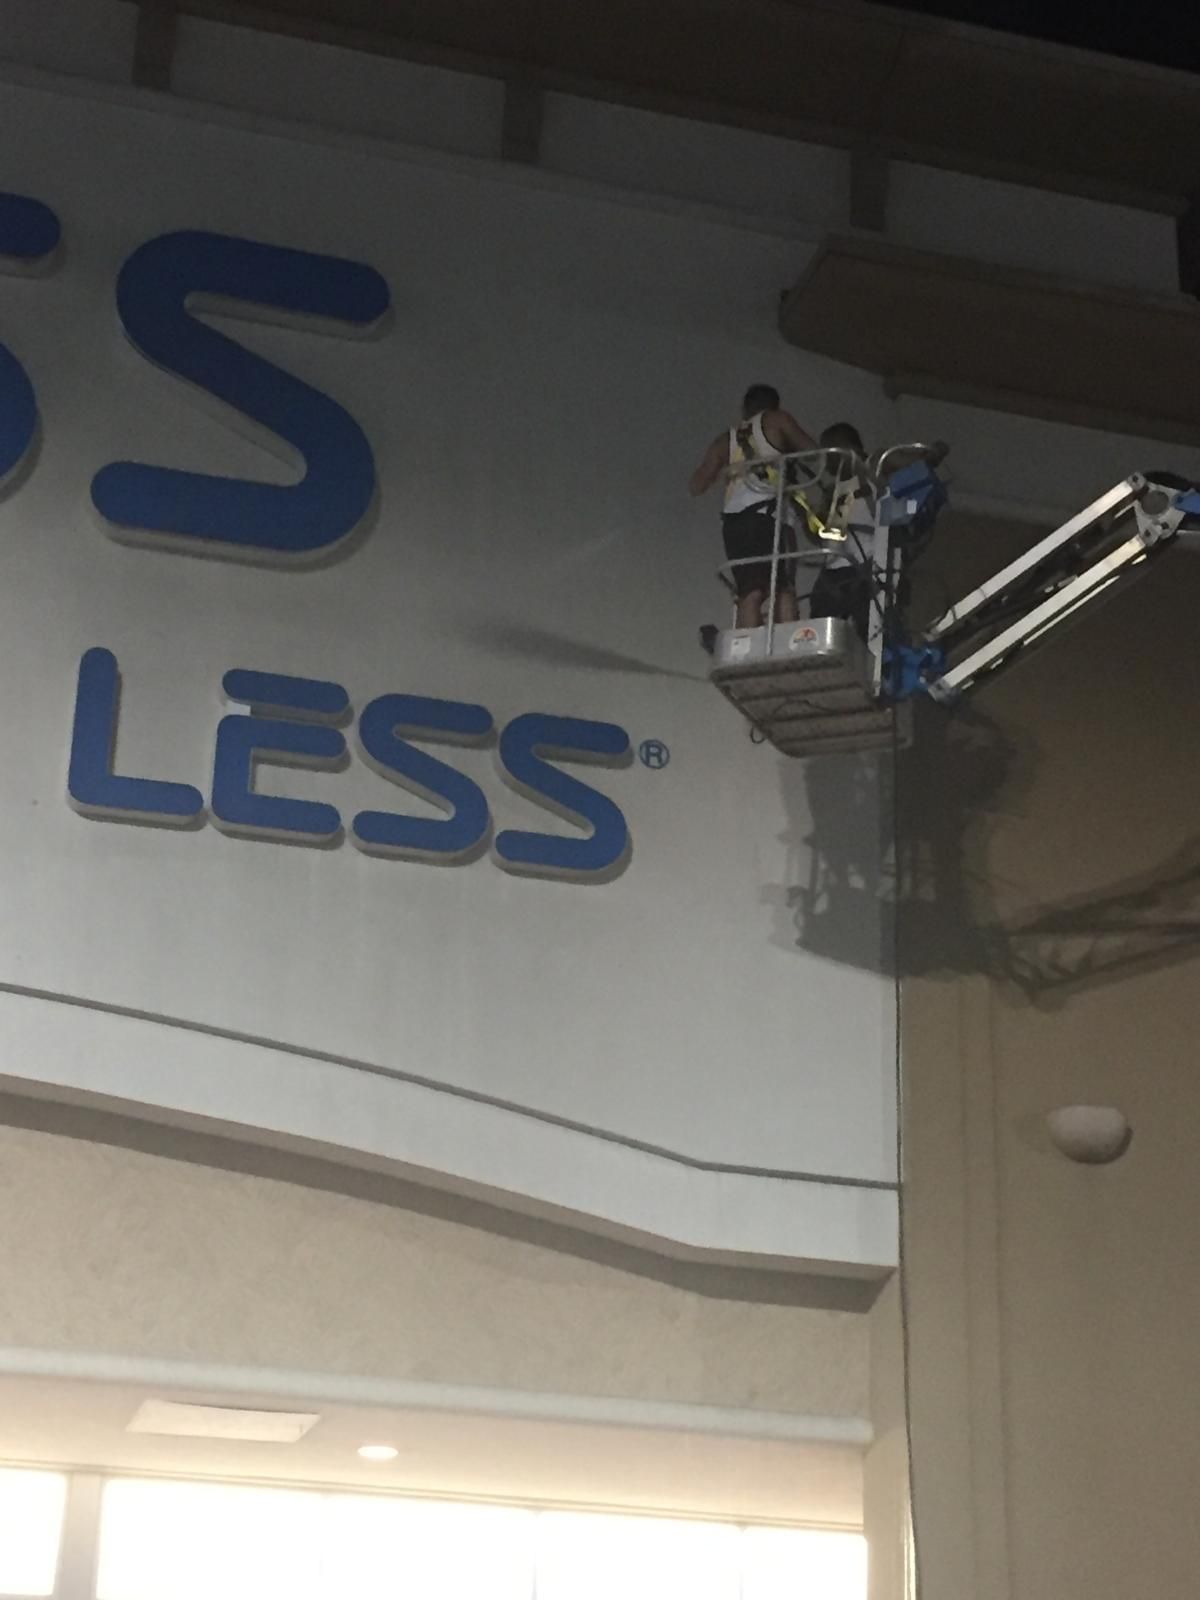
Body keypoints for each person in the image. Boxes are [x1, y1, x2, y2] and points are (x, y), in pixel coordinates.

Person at [689, 384, 817, 629]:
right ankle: (787, 648)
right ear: (774, 405)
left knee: (750, 592)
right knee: (782, 588)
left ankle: (748, 647)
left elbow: (696, 485)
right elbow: (812, 452)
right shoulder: (776, 420)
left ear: (745, 408)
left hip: (734, 524)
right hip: (769, 517)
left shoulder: (726, 439)